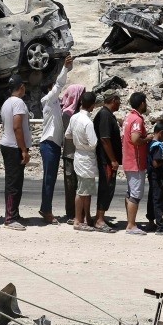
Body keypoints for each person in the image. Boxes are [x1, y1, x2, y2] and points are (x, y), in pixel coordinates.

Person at [39, 56, 73, 224]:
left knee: (50, 179)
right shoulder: (48, 100)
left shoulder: (54, 104)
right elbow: (59, 85)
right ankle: (46, 210)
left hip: (53, 145)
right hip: (49, 144)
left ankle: (46, 208)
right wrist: (65, 69)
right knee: (49, 179)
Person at [1, 75, 31, 230]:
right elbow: (17, 127)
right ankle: (10, 218)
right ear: (21, 87)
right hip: (14, 147)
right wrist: (23, 149)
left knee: (14, 181)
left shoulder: (7, 102)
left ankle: (13, 213)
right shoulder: (18, 103)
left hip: (9, 145)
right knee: (14, 182)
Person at [121, 93, 151, 235]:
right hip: (136, 161)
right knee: (135, 194)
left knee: (130, 193)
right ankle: (131, 225)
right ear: (142, 103)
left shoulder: (128, 117)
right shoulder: (137, 119)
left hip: (128, 159)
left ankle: (130, 222)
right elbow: (135, 139)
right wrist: (147, 139)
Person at [69, 91, 98, 232]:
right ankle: (78, 220)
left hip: (78, 154)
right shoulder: (88, 122)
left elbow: (67, 134)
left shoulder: (74, 117)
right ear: (92, 105)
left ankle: (86, 217)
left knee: (85, 189)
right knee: (82, 191)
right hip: (86, 157)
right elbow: (93, 143)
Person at [93, 91, 122, 233]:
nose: (120, 103)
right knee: (106, 187)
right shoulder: (104, 115)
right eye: (119, 100)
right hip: (106, 160)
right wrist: (113, 160)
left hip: (108, 160)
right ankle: (99, 220)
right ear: (114, 100)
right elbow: (105, 139)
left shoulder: (108, 115)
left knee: (108, 188)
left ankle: (101, 217)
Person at [60, 83, 86, 224]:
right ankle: (71, 213)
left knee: (80, 185)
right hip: (71, 153)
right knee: (71, 186)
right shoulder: (67, 114)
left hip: (79, 153)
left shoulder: (78, 113)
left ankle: (79, 212)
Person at [146, 123, 163, 235]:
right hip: (157, 176)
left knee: (152, 198)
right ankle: (160, 227)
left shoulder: (150, 143)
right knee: (158, 200)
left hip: (152, 175)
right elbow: (156, 163)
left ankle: (151, 221)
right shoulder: (158, 146)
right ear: (161, 133)